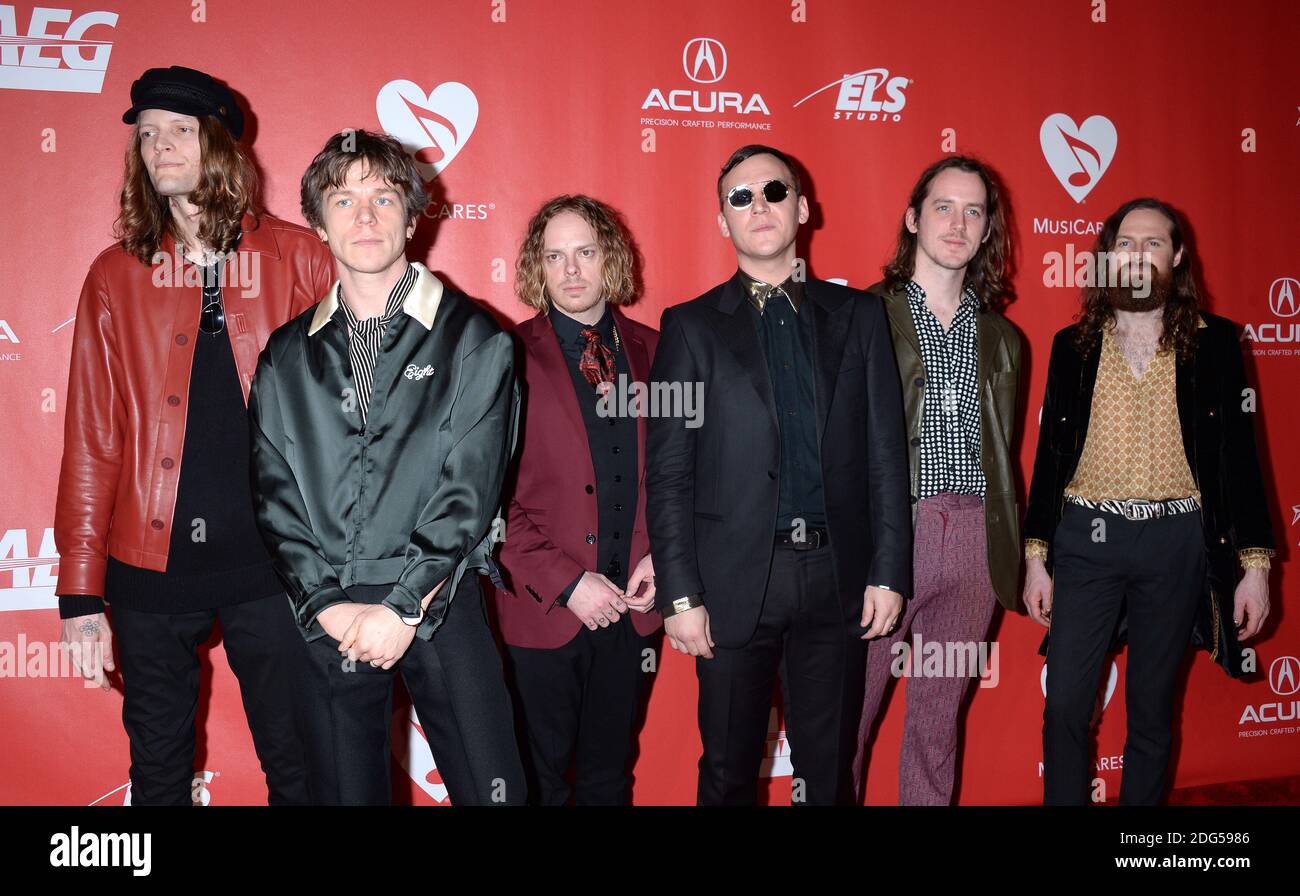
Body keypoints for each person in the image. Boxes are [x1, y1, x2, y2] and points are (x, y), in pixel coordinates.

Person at [55, 65, 329, 806]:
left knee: (301, 765)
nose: (160, 146)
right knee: (159, 775)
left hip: (275, 565)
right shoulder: (115, 275)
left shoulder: (301, 258)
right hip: (148, 567)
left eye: (179, 129)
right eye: (147, 134)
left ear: (220, 145)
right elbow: (92, 434)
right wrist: (81, 591)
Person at [250, 129, 525, 805]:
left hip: (439, 605)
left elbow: (470, 489)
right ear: (317, 221)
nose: (365, 217)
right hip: (330, 611)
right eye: (343, 201)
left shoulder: (477, 338)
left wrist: (402, 607)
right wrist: (326, 606)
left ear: (413, 212)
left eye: (382, 197)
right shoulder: (285, 356)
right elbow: (274, 497)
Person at [646, 144, 911, 805]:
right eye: (740, 197)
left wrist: (888, 570)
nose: (758, 206)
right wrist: (680, 595)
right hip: (734, 582)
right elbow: (670, 471)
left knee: (828, 773)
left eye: (773, 191)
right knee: (729, 774)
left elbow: (885, 452)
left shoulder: (860, 317)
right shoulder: (689, 327)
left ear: (802, 207)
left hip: (837, 579)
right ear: (721, 221)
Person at [1022, 197, 1274, 805]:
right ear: (1109, 257)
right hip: (1088, 539)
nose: (1137, 257)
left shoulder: (1216, 345)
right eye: (1125, 245)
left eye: (1152, 244)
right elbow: (1050, 457)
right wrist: (1036, 555)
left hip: (1177, 540)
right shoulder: (1071, 344)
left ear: (1177, 256)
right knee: (1065, 709)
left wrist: (1256, 568)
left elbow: (1241, 461)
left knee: (1153, 713)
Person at [856, 156, 1022, 804]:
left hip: (977, 542)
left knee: (937, 723)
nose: (958, 222)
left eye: (973, 210)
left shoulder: (1005, 337)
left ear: (987, 231)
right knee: (849, 717)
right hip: (892, 535)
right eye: (944, 206)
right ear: (913, 218)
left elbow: (1004, 456)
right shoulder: (862, 316)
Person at [493, 195, 662, 805]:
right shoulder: (502, 357)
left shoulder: (659, 351)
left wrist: (664, 559)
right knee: (535, 783)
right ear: (537, 267)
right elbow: (486, 498)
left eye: (585, 252)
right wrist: (567, 583)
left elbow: (685, 477)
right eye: (554, 255)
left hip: (636, 609)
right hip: (543, 612)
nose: (570, 270)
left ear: (609, 259)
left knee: (608, 779)